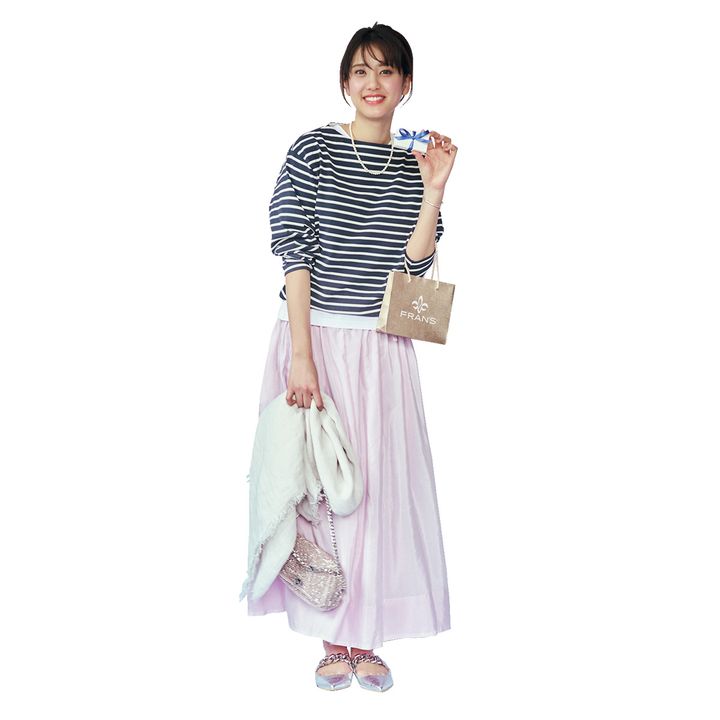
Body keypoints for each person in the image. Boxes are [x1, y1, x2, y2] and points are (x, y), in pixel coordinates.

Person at [245, 22, 458, 691]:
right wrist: (301, 356)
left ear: (406, 84)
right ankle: (331, 635)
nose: (373, 83)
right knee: (322, 490)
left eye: (386, 71)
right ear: (345, 82)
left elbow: (412, 272)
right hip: (316, 338)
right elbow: (293, 251)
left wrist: (434, 187)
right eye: (361, 71)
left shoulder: (412, 162)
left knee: (377, 490)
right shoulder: (313, 149)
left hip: (383, 347)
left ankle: (365, 637)